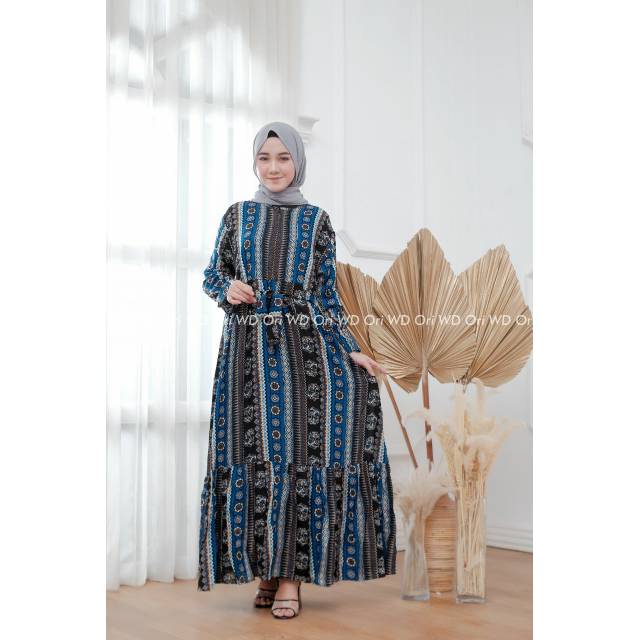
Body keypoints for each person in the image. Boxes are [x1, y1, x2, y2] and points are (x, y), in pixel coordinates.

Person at [197, 121, 397, 619]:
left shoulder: (316, 221)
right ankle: (265, 570)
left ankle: (291, 579)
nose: (274, 168)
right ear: (254, 163)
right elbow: (212, 273)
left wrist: (352, 348)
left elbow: (326, 296)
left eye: (283, 157)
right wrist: (227, 289)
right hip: (246, 354)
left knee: (299, 456)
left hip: (305, 353)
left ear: (298, 162)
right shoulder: (237, 215)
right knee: (255, 455)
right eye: (265, 158)